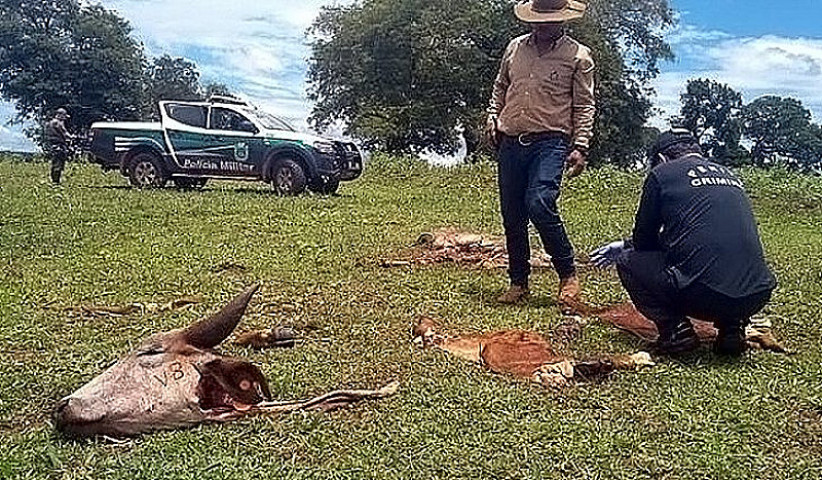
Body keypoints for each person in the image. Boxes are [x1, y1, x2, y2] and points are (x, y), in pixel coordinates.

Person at [590, 130, 777, 355]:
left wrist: (626, 247)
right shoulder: (730, 175)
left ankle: (676, 331)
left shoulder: (662, 173)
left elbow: (645, 241)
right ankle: (732, 328)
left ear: (661, 159)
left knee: (628, 262)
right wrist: (626, 242)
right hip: (756, 294)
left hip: (704, 295)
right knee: (726, 265)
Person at [485, 0, 595, 307]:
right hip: (510, 140)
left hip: (551, 141)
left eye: (548, 20)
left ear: (562, 21)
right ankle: (519, 282)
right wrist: (492, 116)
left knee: (539, 201)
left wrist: (580, 145)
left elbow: (584, 105)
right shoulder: (514, 48)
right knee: (512, 215)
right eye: (537, 19)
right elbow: (500, 87)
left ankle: (568, 274)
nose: (541, 25)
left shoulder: (579, 56)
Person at [44, 107, 72, 185]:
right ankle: (56, 182)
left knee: (55, 162)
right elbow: (65, 133)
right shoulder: (58, 123)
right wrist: (72, 137)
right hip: (59, 145)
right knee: (58, 163)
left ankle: (54, 180)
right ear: (60, 115)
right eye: (64, 116)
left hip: (52, 145)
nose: (65, 119)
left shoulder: (49, 123)